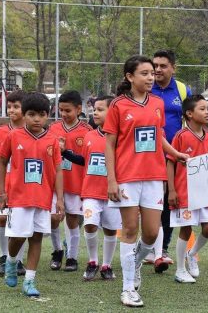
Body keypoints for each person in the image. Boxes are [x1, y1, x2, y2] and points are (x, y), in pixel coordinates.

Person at [104, 55, 188, 307]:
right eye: (145, 73)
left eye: (152, 73)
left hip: (154, 175)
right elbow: (109, 145)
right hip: (127, 176)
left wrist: (174, 153)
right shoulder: (117, 106)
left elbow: (158, 135)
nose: (151, 77)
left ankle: (135, 262)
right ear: (130, 77)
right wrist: (111, 180)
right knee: (130, 230)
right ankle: (128, 288)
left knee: (151, 235)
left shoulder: (157, 103)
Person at [0, 92, 64, 297]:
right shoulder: (13, 136)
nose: (37, 119)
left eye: (42, 114)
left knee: (36, 238)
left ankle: (29, 281)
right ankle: (11, 261)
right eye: (32, 114)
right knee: (18, 237)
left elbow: (58, 170)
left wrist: (59, 198)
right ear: (24, 115)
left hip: (43, 199)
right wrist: (2, 192)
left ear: (48, 116)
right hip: (18, 198)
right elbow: (1, 162)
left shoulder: (52, 140)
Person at [167, 95, 208, 283]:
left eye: (207, 108)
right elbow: (170, 163)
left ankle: (191, 254)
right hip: (184, 192)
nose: (207, 112)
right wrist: (171, 190)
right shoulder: (181, 136)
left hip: (205, 193)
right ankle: (180, 270)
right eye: (202, 109)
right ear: (189, 113)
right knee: (186, 230)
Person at [151, 49, 192, 267]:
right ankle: (150, 245)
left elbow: (191, 117)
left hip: (173, 155)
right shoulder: (146, 86)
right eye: (155, 65)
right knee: (150, 201)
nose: (157, 70)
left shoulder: (183, 89)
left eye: (162, 65)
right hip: (148, 153)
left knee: (168, 201)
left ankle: (162, 247)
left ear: (173, 68)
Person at [0, 90, 27, 276]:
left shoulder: (30, 132)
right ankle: (3, 257)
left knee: (20, 223)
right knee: (2, 218)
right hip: (2, 183)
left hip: (23, 185)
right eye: (9, 106)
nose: (11, 110)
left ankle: (18, 260)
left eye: (16, 106)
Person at [49, 90, 92, 272]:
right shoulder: (53, 129)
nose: (64, 114)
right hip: (55, 183)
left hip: (76, 183)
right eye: (61, 110)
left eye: (68, 110)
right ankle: (57, 250)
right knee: (53, 219)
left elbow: (87, 158)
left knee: (73, 219)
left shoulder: (87, 131)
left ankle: (72, 257)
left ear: (79, 109)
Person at [80, 96, 121, 280]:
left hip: (112, 193)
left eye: (100, 109)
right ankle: (92, 261)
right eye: (94, 109)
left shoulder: (120, 138)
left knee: (111, 230)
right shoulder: (88, 136)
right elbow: (84, 161)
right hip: (90, 192)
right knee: (90, 225)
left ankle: (107, 265)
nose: (95, 112)